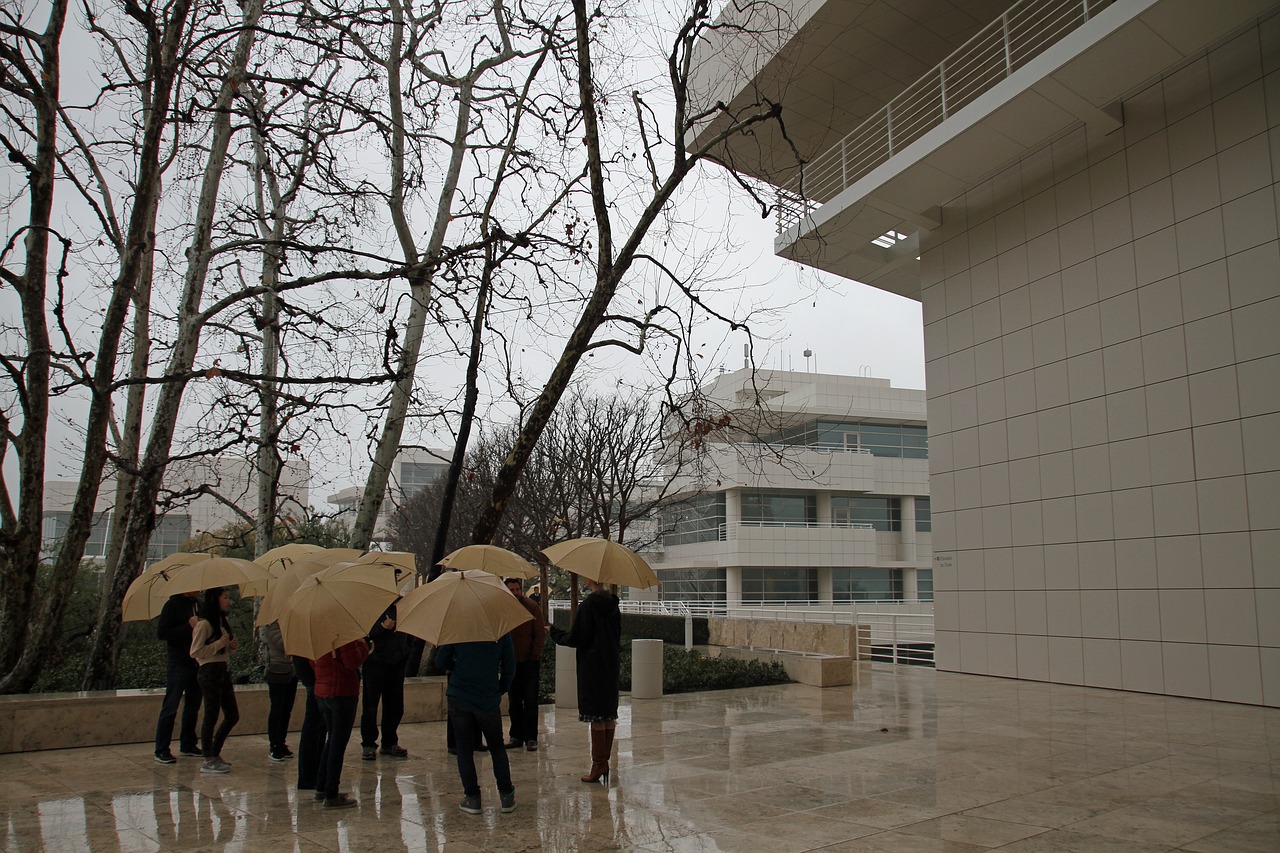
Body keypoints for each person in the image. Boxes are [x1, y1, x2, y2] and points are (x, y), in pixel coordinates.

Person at [548, 577, 621, 784]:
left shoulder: (588, 605)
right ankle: (604, 762)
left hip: (592, 666)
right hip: (610, 665)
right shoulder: (614, 605)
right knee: (608, 715)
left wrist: (554, 633)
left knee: (596, 717)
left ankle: (598, 765)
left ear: (590, 578)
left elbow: (577, 638)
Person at [435, 636, 517, 815]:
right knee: (496, 746)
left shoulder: (458, 630)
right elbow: (510, 666)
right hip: (487, 696)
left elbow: (440, 661)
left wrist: (458, 663)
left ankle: (472, 798)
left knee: (464, 748)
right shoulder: (500, 632)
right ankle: (506, 795)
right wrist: (501, 687)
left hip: (459, 694)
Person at [312, 637, 369, 809]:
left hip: (323, 690)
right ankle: (331, 793)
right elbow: (352, 662)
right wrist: (364, 646)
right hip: (342, 691)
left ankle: (322, 786)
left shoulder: (317, 634)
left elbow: (311, 662)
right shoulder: (343, 633)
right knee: (338, 744)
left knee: (332, 741)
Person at [190, 587, 240, 773]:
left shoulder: (221, 622)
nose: (228, 601)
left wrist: (231, 646)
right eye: (225, 597)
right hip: (209, 670)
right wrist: (219, 643)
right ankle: (208, 757)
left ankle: (215, 750)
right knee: (211, 714)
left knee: (232, 714)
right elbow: (195, 652)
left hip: (222, 669)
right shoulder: (204, 625)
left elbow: (225, 650)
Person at [154, 590, 201, 764]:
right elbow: (163, 633)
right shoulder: (172, 605)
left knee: (193, 706)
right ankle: (162, 748)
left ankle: (188, 743)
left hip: (196, 661)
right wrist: (187, 626)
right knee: (171, 706)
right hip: (179, 663)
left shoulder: (198, 605)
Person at [360, 605, 409, 761]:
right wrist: (381, 626)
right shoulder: (369, 605)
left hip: (397, 661)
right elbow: (362, 633)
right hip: (375, 662)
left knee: (395, 705)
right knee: (370, 705)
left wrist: (406, 649)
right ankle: (368, 743)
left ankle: (389, 742)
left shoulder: (401, 605)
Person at [502, 578, 544, 752]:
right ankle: (516, 735)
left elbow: (539, 634)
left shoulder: (532, 607)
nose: (515, 592)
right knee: (514, 701)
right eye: (511, 589)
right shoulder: (503, 608)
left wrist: (534, 655)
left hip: (529, 662)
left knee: (531, 701)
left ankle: (531, 737)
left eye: (517, 589)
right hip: (511, 662)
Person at [259, 620, 297, 761]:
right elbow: (281, 642)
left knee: (286, 709)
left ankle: (281, 742)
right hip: (277, 669)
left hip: (291, 669)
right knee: (277, 709)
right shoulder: (271, 623)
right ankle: (274, 744)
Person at [293, 656, 326, 792]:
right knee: (313, 726)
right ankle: (308, 777)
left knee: (320, 726)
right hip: (315, 676)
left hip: (317, 677)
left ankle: (316, 774)